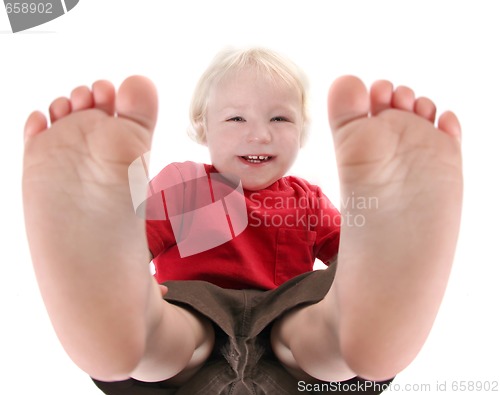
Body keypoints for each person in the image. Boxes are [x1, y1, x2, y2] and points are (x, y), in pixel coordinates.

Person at [22, 47, 463, 394]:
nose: (259, 134)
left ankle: (350, 337)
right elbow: (133, 251)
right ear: (202, 127)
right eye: (236, 118)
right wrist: (117, 271)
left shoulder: (307, 199)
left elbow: (352, 260)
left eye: (280, 118)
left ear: (302, 131)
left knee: (318, 313)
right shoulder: (185, 189)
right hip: (196, 331)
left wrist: (380, 262)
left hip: (286, 339)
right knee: (170, 328)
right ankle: (127, 329)